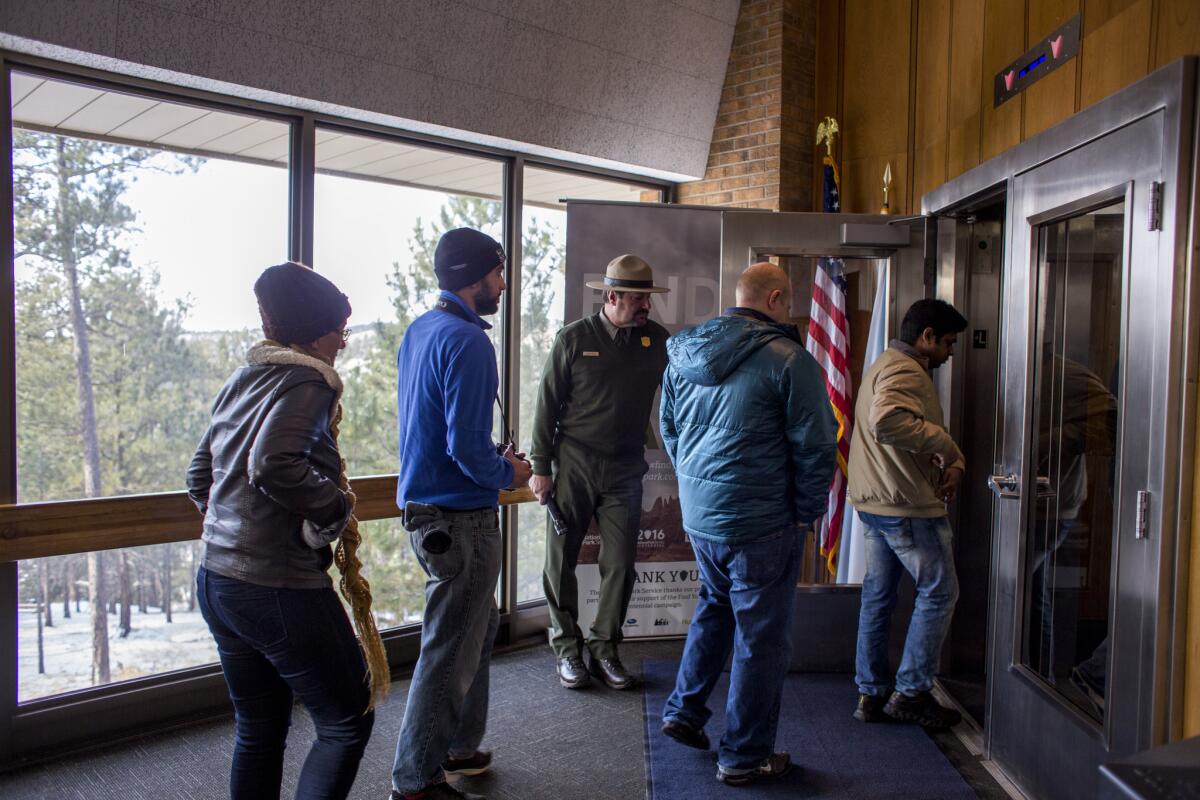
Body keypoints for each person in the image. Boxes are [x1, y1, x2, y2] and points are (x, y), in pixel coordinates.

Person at [187, 261, 388, 800]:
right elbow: (273, 465)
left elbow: (198, 476)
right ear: (316, 330)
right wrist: (333, 512)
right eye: (341, 330)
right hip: (277, 588)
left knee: (260, 728)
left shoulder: (243, 378)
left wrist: (233, 530)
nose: (343, 343)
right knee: (348, 720)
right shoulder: (309, 378)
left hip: (217, 581)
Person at [658, 262, 838, 787]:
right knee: (761, 638)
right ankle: (743, 755)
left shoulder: (685, 352)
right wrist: (805, 510)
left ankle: (684, 712)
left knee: (714, 609)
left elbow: (668, 428)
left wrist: (696, 485)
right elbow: (817, 446)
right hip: (763, 521)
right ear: (777, 298)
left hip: (703, 518)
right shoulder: (790, 361)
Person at [391, 228, 532, 800]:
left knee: (466, 641)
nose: (502, 283)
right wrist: (510, 475)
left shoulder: (422, 330)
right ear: (474, 279)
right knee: (450, 652)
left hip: (429, 515)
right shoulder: (471, 343)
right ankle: (416, 780)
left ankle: (459, 749)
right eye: (497, 273)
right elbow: (467, 448)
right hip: (462, 520)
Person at [529, 254, 670, 690]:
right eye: (636, 298)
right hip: (573, 464)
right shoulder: (574, 339)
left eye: (648, 297)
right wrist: (540, 467)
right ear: (611, 297)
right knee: (560, 563)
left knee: (621, 564)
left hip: (627, 467)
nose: (646, 306)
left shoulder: (657, 341)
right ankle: (567, 650)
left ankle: (605, 647)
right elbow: (546, 404)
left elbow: (680, 394)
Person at [847, 297, 969, 729]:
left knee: (878, 597)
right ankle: (911, 692)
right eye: (948, 343)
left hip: (877, 502)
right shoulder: (904, 368)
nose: (950, 353)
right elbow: (886, 422)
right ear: (927, 337)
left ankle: (870, 693)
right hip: (906, 507)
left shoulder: (884, 362)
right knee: (940, 592)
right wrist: (946, 446)